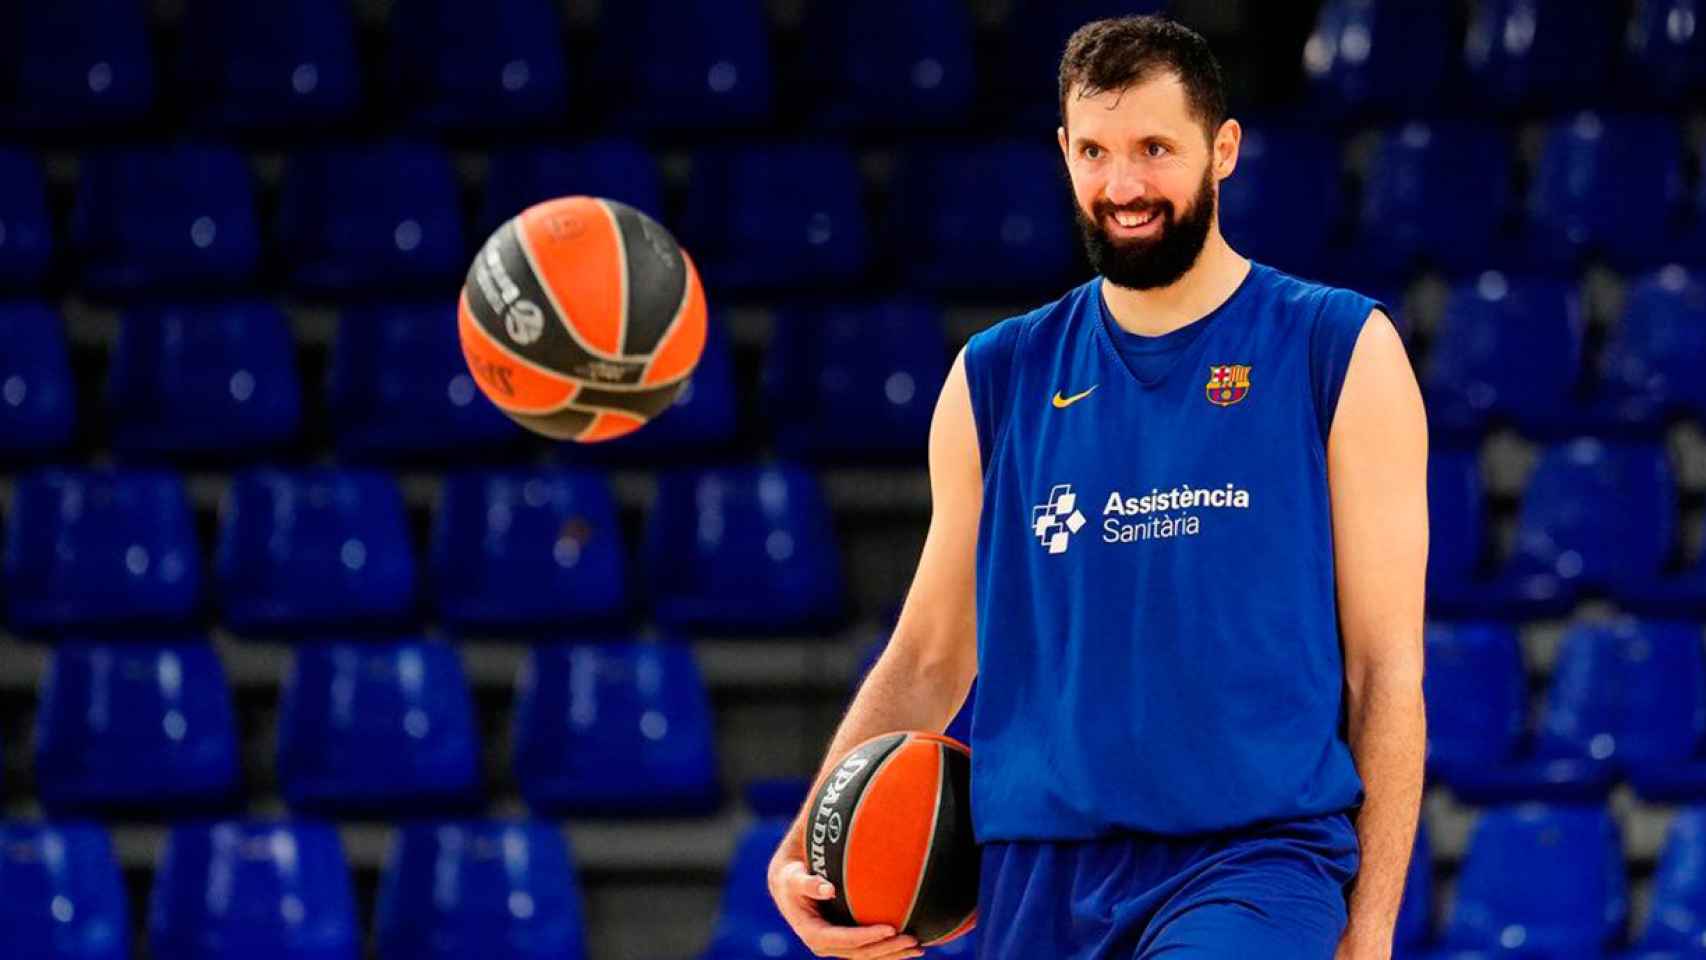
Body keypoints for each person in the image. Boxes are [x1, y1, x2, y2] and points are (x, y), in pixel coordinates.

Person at [768, 14, 1427, 959]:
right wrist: (810, 852)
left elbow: (1386, 674)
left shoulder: (1338, 351)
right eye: (1095, 151)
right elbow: (929, 656)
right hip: (1035, 877)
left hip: (1253, 865)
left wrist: (1369, 940)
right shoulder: (994, 379)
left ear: (1223, 150)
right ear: (1065, 153)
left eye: (1155, 148)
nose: (1123, 187)